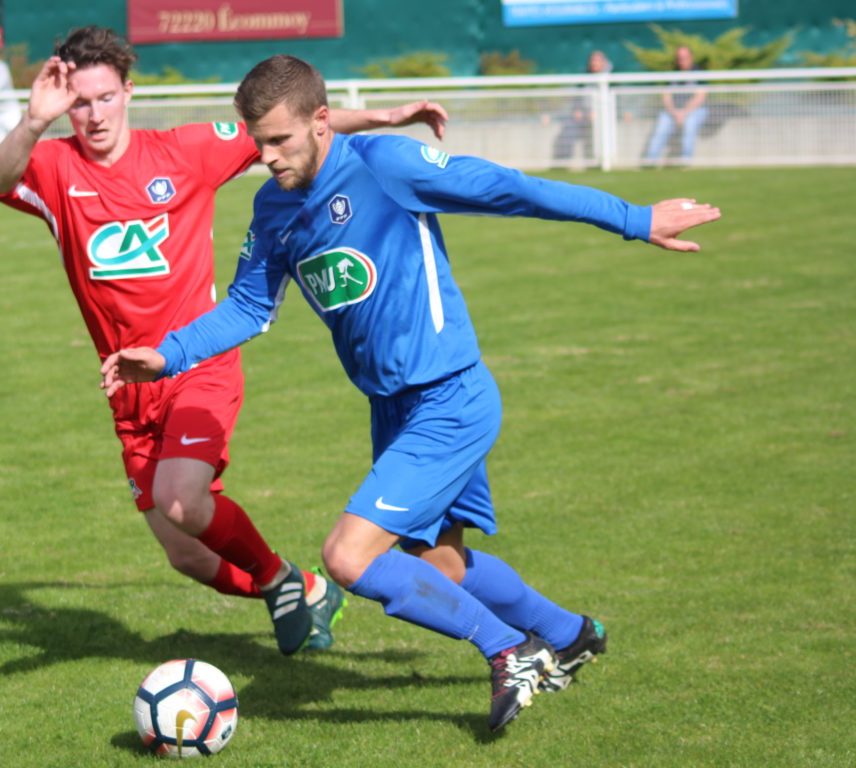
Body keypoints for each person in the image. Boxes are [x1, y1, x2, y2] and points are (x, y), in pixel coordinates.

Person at [101, 54, 720, 731]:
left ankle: (509, 650)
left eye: (280, 139)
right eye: (258, 141)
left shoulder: (384, 166)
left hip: (450, 398)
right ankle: (570, 634)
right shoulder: (273, 207)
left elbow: (510, 189)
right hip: (392, 409)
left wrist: (633, 217)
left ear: (321, 121)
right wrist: (166, 356)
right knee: (442, 566)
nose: (267, 155)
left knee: (346, 558)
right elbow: (249, 307)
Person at [0, 27, 452, 656]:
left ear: (128, 91)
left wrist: (387, 115)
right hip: (127, 385)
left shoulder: (185, 151)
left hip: (197, 362)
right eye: (79, 103)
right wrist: (34, 120)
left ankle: (282, 581)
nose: (92, 115)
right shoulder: (55, 165)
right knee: (189, 556)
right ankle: (300, 585)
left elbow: (290, 124)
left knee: (182, 500)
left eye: (104, 98)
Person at [643, 45, 708, 166]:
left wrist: (683, 112)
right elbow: (666, 96)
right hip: (673, 111)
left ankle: (685, 159)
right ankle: (650, 160)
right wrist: (674, 112)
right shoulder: (672, 73)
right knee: (662, 124)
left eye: (685, 57)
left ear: (691, 57)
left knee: (690, 123)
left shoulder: (699, 72)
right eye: (679, 58)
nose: (682, 60)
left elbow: (700, 96)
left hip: (694, 110)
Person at [551, 50, 610, 166]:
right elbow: (577, 97)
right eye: (593, 61)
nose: (594, 63)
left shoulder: (612, 76)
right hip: (584, 116)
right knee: (569, 128)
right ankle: (563, 162)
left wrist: (598, 112)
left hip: (605, 115)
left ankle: (600, 161)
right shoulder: (584, 77)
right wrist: (577, 110)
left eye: (597, 60)